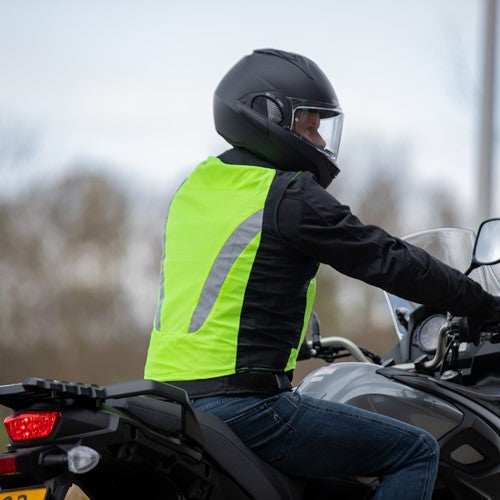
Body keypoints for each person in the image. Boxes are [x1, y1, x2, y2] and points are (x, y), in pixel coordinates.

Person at [144, 49, 500, 500]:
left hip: (169, 401)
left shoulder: (193, 188)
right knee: (415, 451)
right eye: (309, 126)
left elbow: (238, 289)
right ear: (267, 115)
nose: (318, 141)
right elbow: (386, 258)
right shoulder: (287, 195)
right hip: (246, 406)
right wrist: (481, 303)